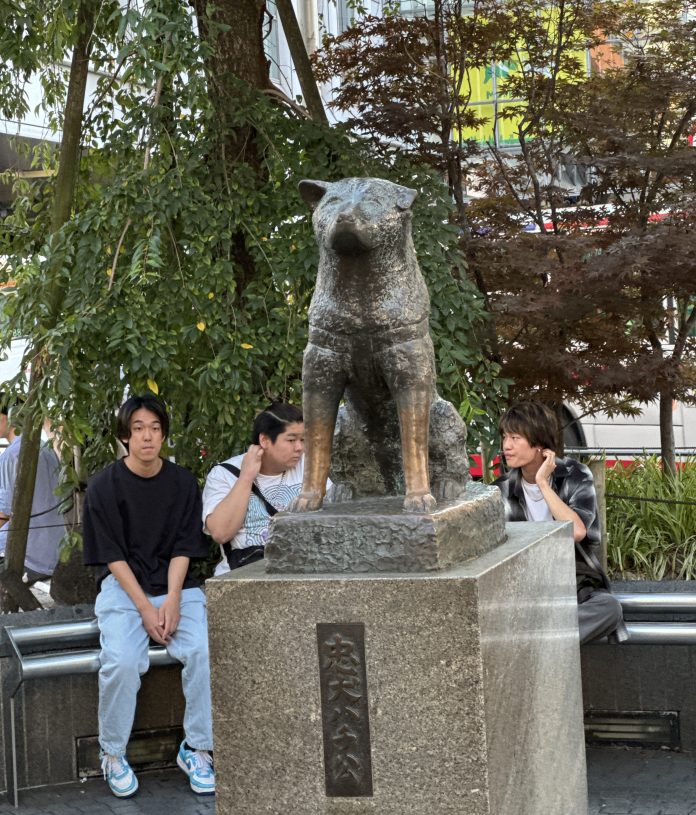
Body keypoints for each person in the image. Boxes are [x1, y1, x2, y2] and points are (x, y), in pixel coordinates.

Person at [82, 395, 214, 799]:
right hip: (124, 590)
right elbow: (111, 556)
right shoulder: (103, 487)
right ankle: (113, 753)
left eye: (155, 428)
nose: (147, 436)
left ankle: (196, 748)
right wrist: (144, 607)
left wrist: (172, 599)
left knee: (204, 650)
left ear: (164, 434)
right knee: (121, 660)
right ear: (125, 435)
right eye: (138, 428)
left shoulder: (182, 482)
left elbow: (183, 547)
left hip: (177, 587)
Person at [494, 401, 626, 645]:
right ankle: (547, 641)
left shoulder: (575, 475)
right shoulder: (501, 490)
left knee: (608, 608)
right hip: (526, 586)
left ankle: (535, 643)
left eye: (515, 437)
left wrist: (543, 484)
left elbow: (576, 531)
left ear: (538, 443)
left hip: (573, 584)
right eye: (504, 437)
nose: (506, 446)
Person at [203, 403, 306, 574]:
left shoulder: (309, 469)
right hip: (244, 573)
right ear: (264, 440)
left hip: (301, 568)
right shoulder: (224, 474)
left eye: (302, 440)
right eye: (291, 440)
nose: (299, 448)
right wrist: (246, 477)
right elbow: (220, 533)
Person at [0, 398, 63, 584]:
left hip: (29, 554)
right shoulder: (45, 448)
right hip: (55, 549)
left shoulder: (10, 456)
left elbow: (4, 515)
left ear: (9, 417)